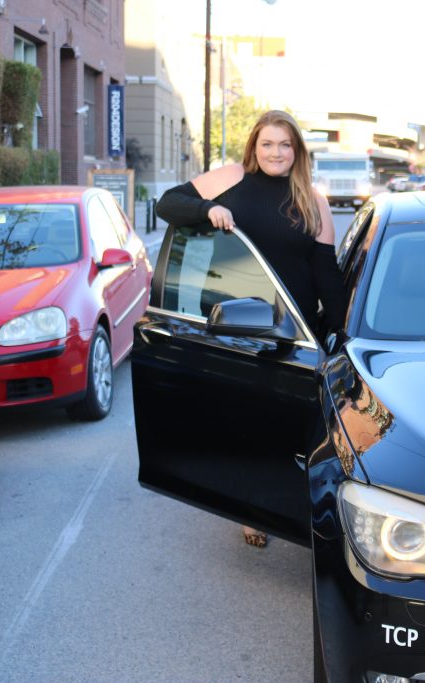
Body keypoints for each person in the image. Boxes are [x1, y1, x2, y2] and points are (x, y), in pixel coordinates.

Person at [155, 110, 348, 547]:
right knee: (245, 421)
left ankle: (286, 504)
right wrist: (210, 209)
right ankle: (248, 508)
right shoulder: (231, 178)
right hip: (238, 325)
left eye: (285, 145)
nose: (275, 152)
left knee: (291, 424)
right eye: (267, 144)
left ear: (296, 151)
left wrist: (342, 336)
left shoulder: (312, 201)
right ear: (254, 147)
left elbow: (327, 277)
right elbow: (168, 204)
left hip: (294, 329)